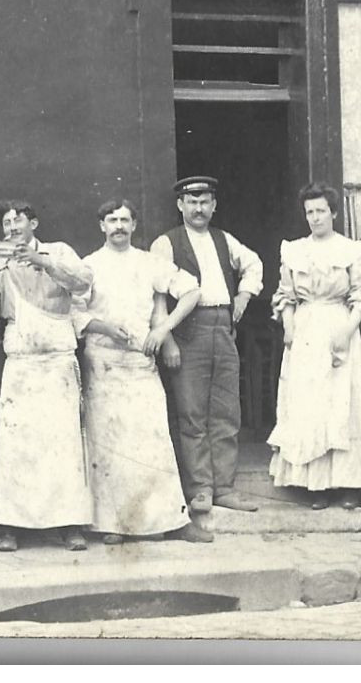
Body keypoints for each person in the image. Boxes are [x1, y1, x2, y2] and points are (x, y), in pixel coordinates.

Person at [78, 199, 214, 545]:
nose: (119, 226)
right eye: (112, 220)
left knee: (153, 442)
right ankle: (114, 525)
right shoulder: (88, 266)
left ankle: (171, 520)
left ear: (134, 226)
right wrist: (105, 329)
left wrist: (163, 329)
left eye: (125, 220)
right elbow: (74, 312)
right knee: (110, 446)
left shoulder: (148, 262)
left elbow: (192, 290)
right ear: (101, 225)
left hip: (140, 363)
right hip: (104, 362)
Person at [0, 199, 95, 552]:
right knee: (17, 448)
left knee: (64, 445)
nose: (12, 228)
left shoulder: (59, 251)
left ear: (34, 224)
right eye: (7, 223)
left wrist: (43, 262)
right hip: (22, 363)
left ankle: (69, 524)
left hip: (57, 360)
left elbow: (83, 281)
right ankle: (10, 525)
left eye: (19, 221)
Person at [268, 183, 361, 506]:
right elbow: (286, 295)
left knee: (343, 405)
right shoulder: (295, 250)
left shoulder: (352, 250)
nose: (315, 218)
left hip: (340, 328)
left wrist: (347, 330)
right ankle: (316, 485)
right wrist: (289, 327)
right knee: (310, 405)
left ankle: (349, 485)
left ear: (334, 213)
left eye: (321, 211)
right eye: (309, 212)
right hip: (306, 330)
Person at [150, 176, 264, 515]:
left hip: (223, 330)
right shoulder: (166, 243)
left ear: (214, 205)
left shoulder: (224, 239)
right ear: (180, 205)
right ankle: (200, 488)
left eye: (205, 202)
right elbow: (157, 298)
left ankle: (225, 488)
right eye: (192, 201)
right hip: (188, 332)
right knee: (192, 414)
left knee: (227, 413)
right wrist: (167, 339)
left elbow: (254, 264)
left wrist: (243, 296)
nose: (199, 208)